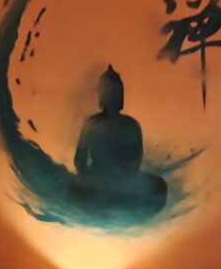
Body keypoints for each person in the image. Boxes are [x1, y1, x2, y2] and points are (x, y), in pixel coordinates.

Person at [69, 64, 167, 220]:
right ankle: (106, 203)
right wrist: (90, 177)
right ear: (101, 95)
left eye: (114, 92)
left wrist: (122, 176)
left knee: (159, 186)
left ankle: (115, 203)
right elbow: (79, 160)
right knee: (71, 188)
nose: (110, 96)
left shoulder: (131, 125)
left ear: (121, 95)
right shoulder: (91, 124)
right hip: (97, 179)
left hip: (125, 182)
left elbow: (136, 160)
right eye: (106, 91)